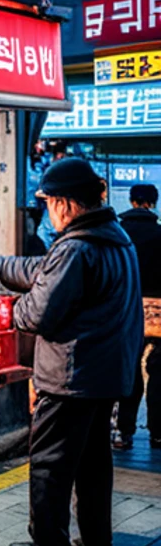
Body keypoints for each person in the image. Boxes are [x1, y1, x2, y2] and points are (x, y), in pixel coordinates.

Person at [0, 158, 143, 546]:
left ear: (67, 204)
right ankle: (96, 544)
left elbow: (38, 313)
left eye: (49, 203)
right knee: (93, 464)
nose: (48, 211)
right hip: (103, 376)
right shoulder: (114, 238)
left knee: (50, 466)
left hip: (71, 377)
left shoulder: (75, 247)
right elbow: (43, 271)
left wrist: (7, 307)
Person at [114, 183, 161, 450]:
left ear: (132, 202)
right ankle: (158, 433)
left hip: (127, 311)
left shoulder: (120, 234)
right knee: (160, 372)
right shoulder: (160, 233)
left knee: (130, 370)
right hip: (159, 314)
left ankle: (125, 431)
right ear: (152, 203)